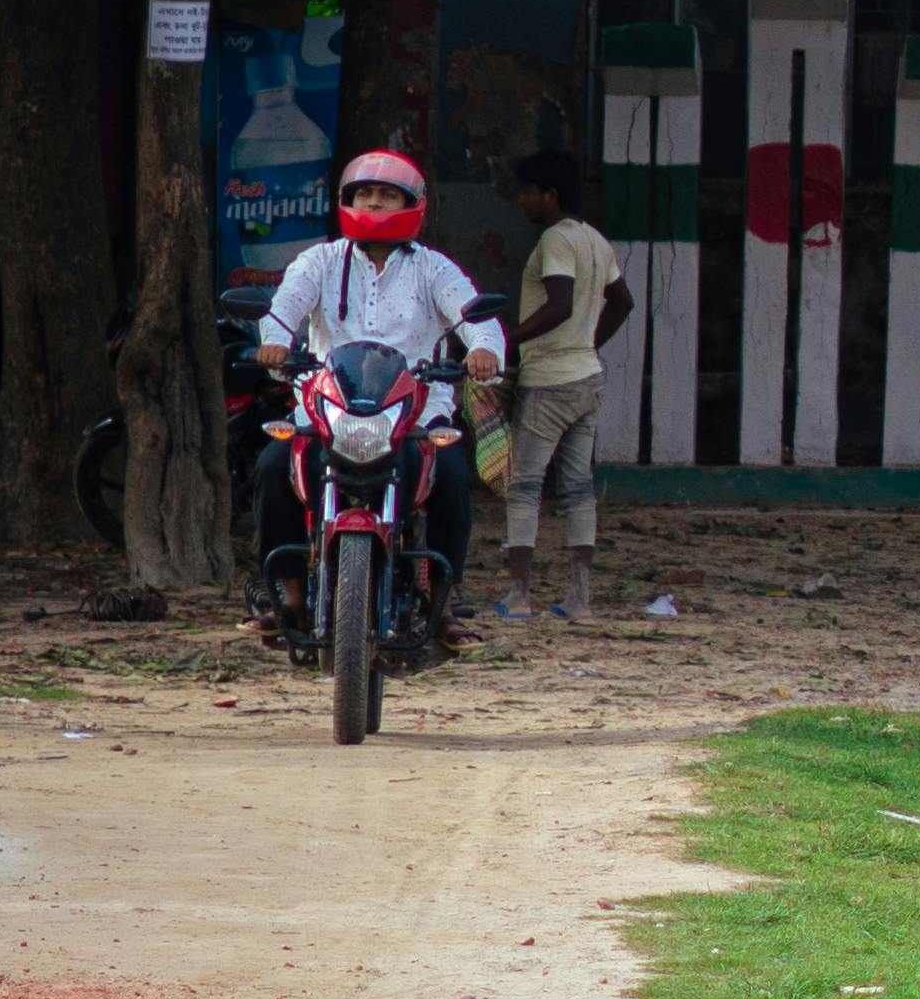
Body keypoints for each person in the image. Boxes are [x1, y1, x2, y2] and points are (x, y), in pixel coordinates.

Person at [251, 145, 503, 643]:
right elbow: (282, 311)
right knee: (273, 466)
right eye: (363, 193)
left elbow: (477, 318)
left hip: (415, 416)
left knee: (453, 476)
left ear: (412, 205)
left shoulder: (435, 269)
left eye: (387, 195)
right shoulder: (319, 262)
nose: (372, 203)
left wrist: (484, 350)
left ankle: (443, 604)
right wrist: (275, 343)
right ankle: (288, 594)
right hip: (327, 412)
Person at [498, 153, 633, 625]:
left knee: (524, 486)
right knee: (578, 488)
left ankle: (519, 596)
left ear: (550, 195)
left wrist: (505, 340)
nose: (521, 200)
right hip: (587, 377)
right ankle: (580, 600)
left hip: (549, 381)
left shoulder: (555, 239)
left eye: (527, 192)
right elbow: (623, 302)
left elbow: (559, 304)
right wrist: (589, 343)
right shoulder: (595, 239)